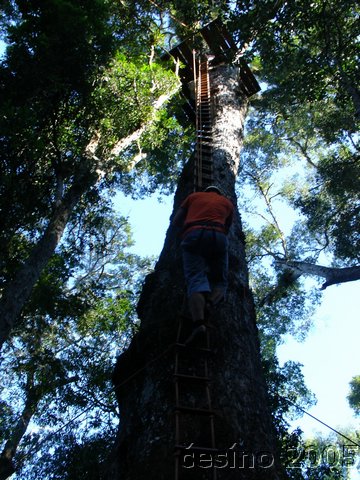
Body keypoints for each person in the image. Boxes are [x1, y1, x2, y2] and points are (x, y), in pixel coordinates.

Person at [172, 185, 234, 343]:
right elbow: (227, 227)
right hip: (218, 236)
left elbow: (176, 220)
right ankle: (210, 302)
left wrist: (182, 233)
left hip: (193, 233)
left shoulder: (193, 196)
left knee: (195, 277)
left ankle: (198, 323)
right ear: (218, 193)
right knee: (220, 281)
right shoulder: (227, 202)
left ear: (206, 191)